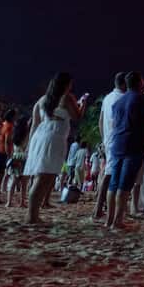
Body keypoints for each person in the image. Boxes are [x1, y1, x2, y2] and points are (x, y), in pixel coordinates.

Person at [24, 72, 85, 224]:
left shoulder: (42, 100)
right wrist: (83, 103)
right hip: (54, 138)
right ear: (66, 84)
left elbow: (34, 124)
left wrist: (30, 146)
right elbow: (77, 116)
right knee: (44, 178)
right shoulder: (67, 97)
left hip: (40, 137)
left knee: (44, 177)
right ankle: (31, 216)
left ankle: (33, 214)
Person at [106, 71, 144, 230]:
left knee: (113, 184)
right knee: (125, 184)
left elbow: (114, 125)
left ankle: (109, 219)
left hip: (117, 144)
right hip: (134, 145)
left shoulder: (118, 102)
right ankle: (117, 220)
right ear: (140, 83)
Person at [93, 72, 126, 220]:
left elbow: (100, 121)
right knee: (109, 174)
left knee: (109, 173)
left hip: (109, 139)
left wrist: (104, 138)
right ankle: (99, 208)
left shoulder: (107, 98)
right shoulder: (123, 98)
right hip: (117, 140)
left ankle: (100, 207)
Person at [5, 114, 31, 208]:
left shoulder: (14, 133)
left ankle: (9, 202)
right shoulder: (28, 133)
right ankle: (22, 202)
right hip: (25, 158)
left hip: (15, 156)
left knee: (13, 181)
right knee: (24, 183)